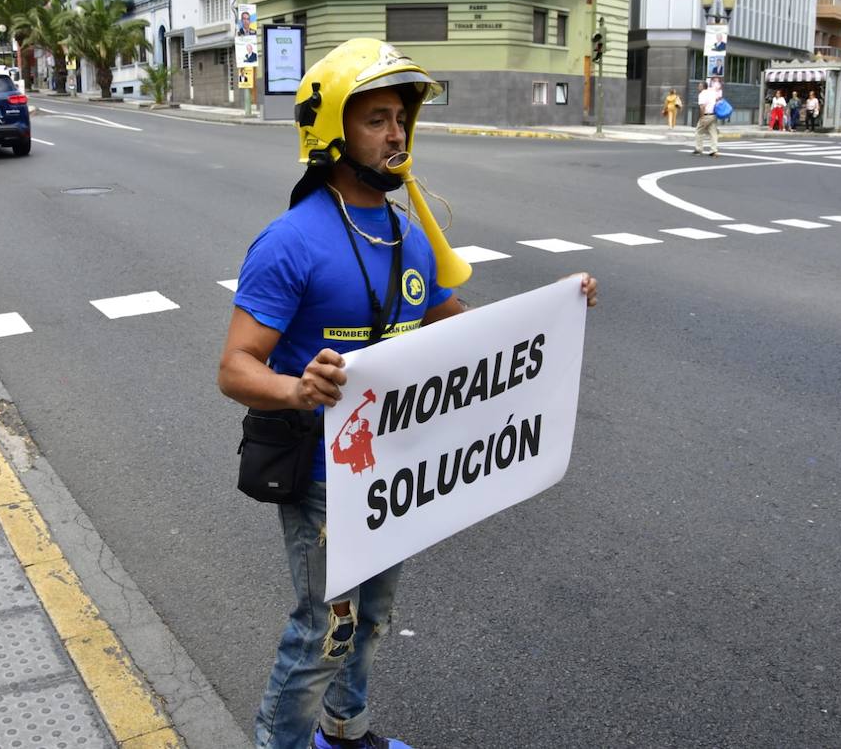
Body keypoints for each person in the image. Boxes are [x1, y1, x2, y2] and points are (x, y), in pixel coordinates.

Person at [217, 38, 598, 749]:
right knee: (324, 629)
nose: (396, 135)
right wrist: (297, 388)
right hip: (323, 474)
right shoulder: (289, 241)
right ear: (331, 132)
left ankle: (346, 731)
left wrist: (556, 309)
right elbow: (235, 367)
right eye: (377, 120)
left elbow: (463, 331)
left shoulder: (408, 233)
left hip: (394, 470)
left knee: (373, 617)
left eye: (401, 119)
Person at [693, 80, 719, 156]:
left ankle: (699, 149)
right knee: (713, 133)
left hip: (706, 115)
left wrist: (702, 117)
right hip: (713, 115)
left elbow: (702, 107)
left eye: (699, 86)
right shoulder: (712, 93)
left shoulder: (702, 94)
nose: (698, 87)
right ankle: (713, 150)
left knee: (699, 131)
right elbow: (717, 101)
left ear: (702, 87)